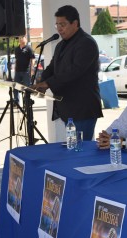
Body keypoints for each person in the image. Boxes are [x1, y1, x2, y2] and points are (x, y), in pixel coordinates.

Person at [32, 5, 103, 140]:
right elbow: (52, 68)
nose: (59, 28)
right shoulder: (60, 45)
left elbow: (74, 72)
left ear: (75, 23)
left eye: (63, 24)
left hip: (82, 109)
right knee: (73, 149)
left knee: (79, 152)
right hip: (68, 108)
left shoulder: (86, 43)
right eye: (57, 25)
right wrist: (39, 81)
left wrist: (48, 83)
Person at [13, 35, 35, 103]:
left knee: (27, 88)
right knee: (16, 86)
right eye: (20, 38)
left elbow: (33, 59)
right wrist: (14, 68)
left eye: (22, 38)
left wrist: (32, 69)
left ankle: (26, 101)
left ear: (25, 39)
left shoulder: (29, 48)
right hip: (18, 71)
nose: (21, 39)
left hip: (26, 71)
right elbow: (16, 60)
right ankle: (16, 101)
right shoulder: (17, 49)